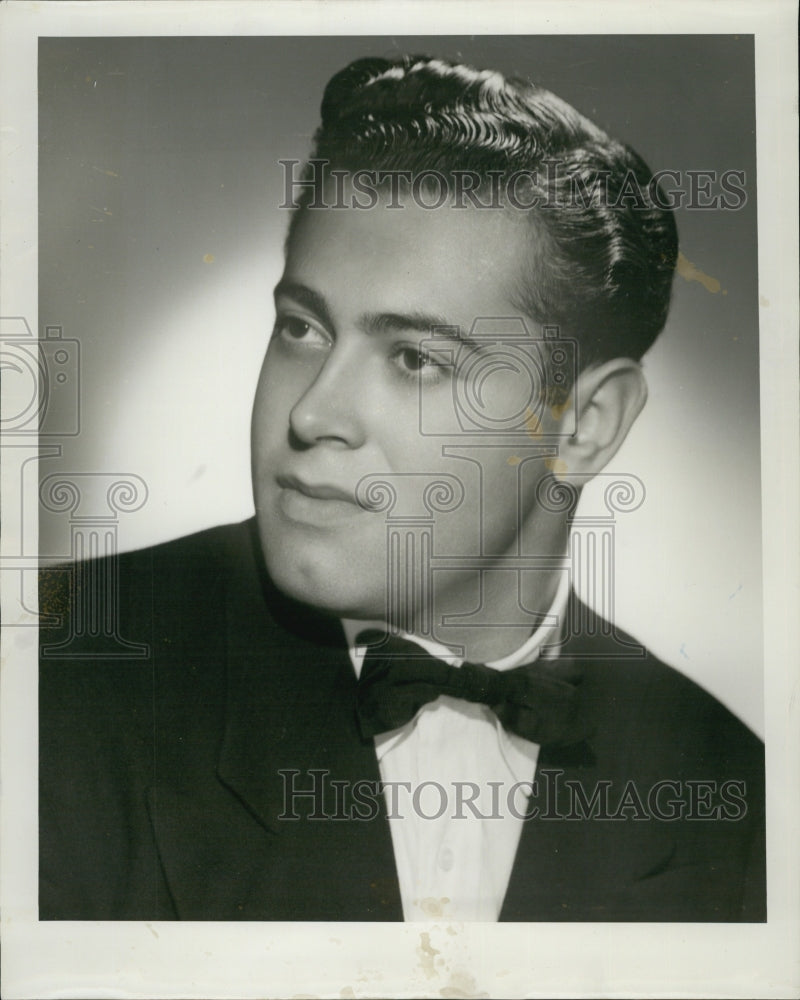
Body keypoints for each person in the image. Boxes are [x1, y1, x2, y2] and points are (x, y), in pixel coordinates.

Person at [39, 54, 765, 922]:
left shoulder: (738, 799)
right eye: (302, 328)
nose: (311, 413)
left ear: (585, 425)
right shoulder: (48, 684)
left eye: (416, 359)